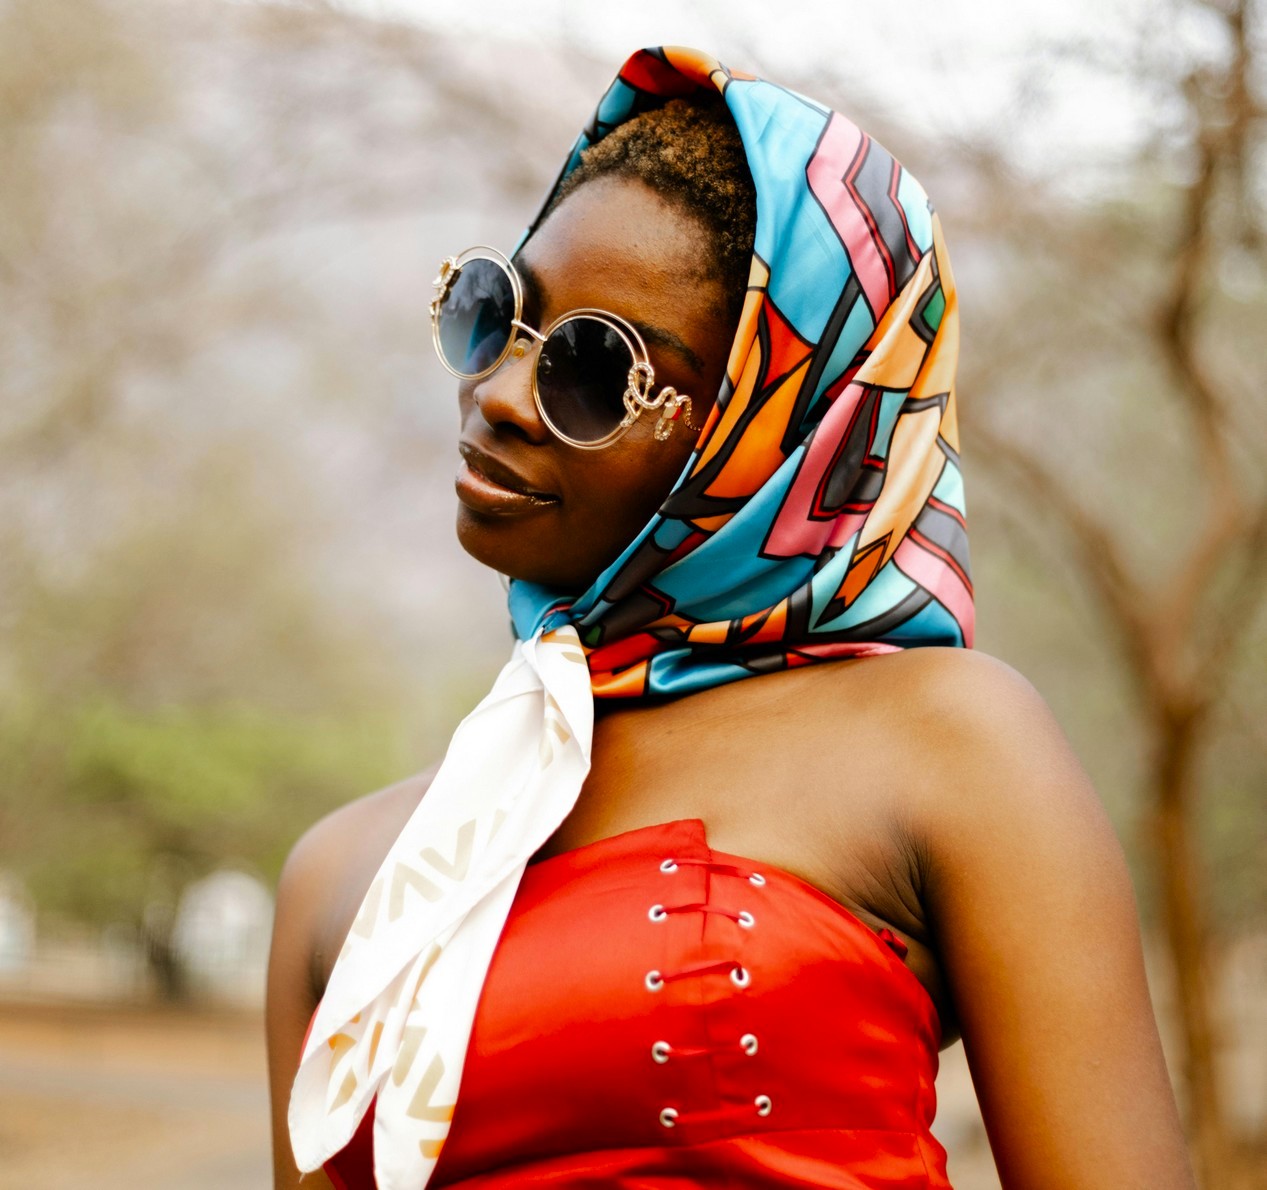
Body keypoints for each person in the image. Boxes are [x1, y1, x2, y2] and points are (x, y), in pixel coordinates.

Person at [266, 46, 1194, 1190]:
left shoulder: (947, 745)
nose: (500, 394)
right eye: (493, 313)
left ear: (769, 428)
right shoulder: (341, 875)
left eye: (594, 371)